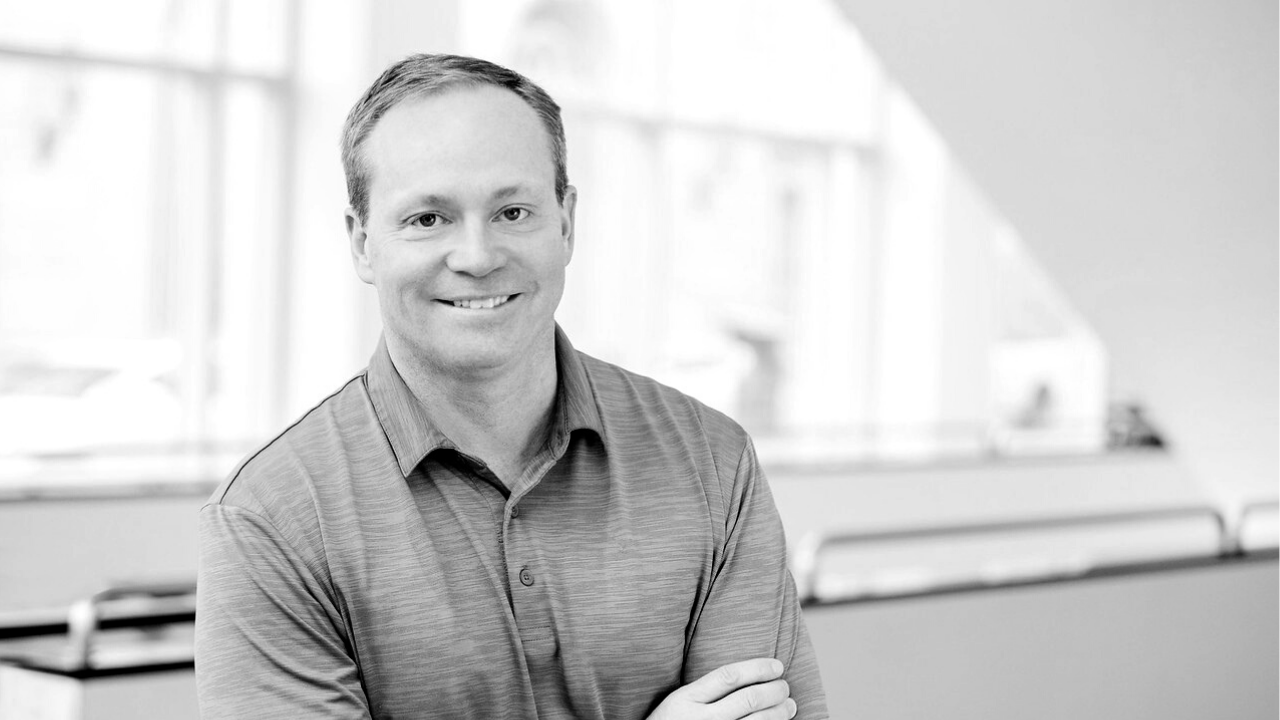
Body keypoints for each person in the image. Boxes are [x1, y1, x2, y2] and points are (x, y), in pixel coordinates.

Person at [195, 53, 827, 720]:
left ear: (566, 223)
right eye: (427, 219)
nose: (477, 256)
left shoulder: (712, 464)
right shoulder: (269, 520)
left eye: (513, 211)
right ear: (361, 244)